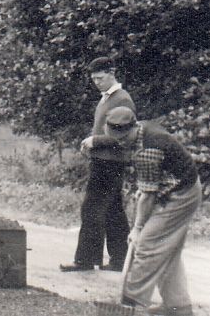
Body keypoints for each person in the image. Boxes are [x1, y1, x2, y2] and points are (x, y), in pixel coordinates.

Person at [83, 107, 201, 315]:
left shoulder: (148, 150)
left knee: (147, 245)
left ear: (133, 127)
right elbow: (149, 187)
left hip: (180, 194)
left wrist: (137, 229)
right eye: (115, 138)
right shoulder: (140, 131)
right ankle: (178, 307)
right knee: (165, 249)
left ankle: (132, 304)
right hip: (170, 187)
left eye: (123, 138)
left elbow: (148, 195)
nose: (120, 143)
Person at [61, 56, 136, 272]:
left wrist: (96, 141)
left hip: (110, 163)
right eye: (94, 79)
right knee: (113, 210)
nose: (96, 83)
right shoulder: (106, 98)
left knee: (92, 208)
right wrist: (91, 144)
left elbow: (125, 135)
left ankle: (85, 260)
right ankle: (120, 260)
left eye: (100, 78)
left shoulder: (122, 99)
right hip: (103, 160)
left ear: (112, 73)